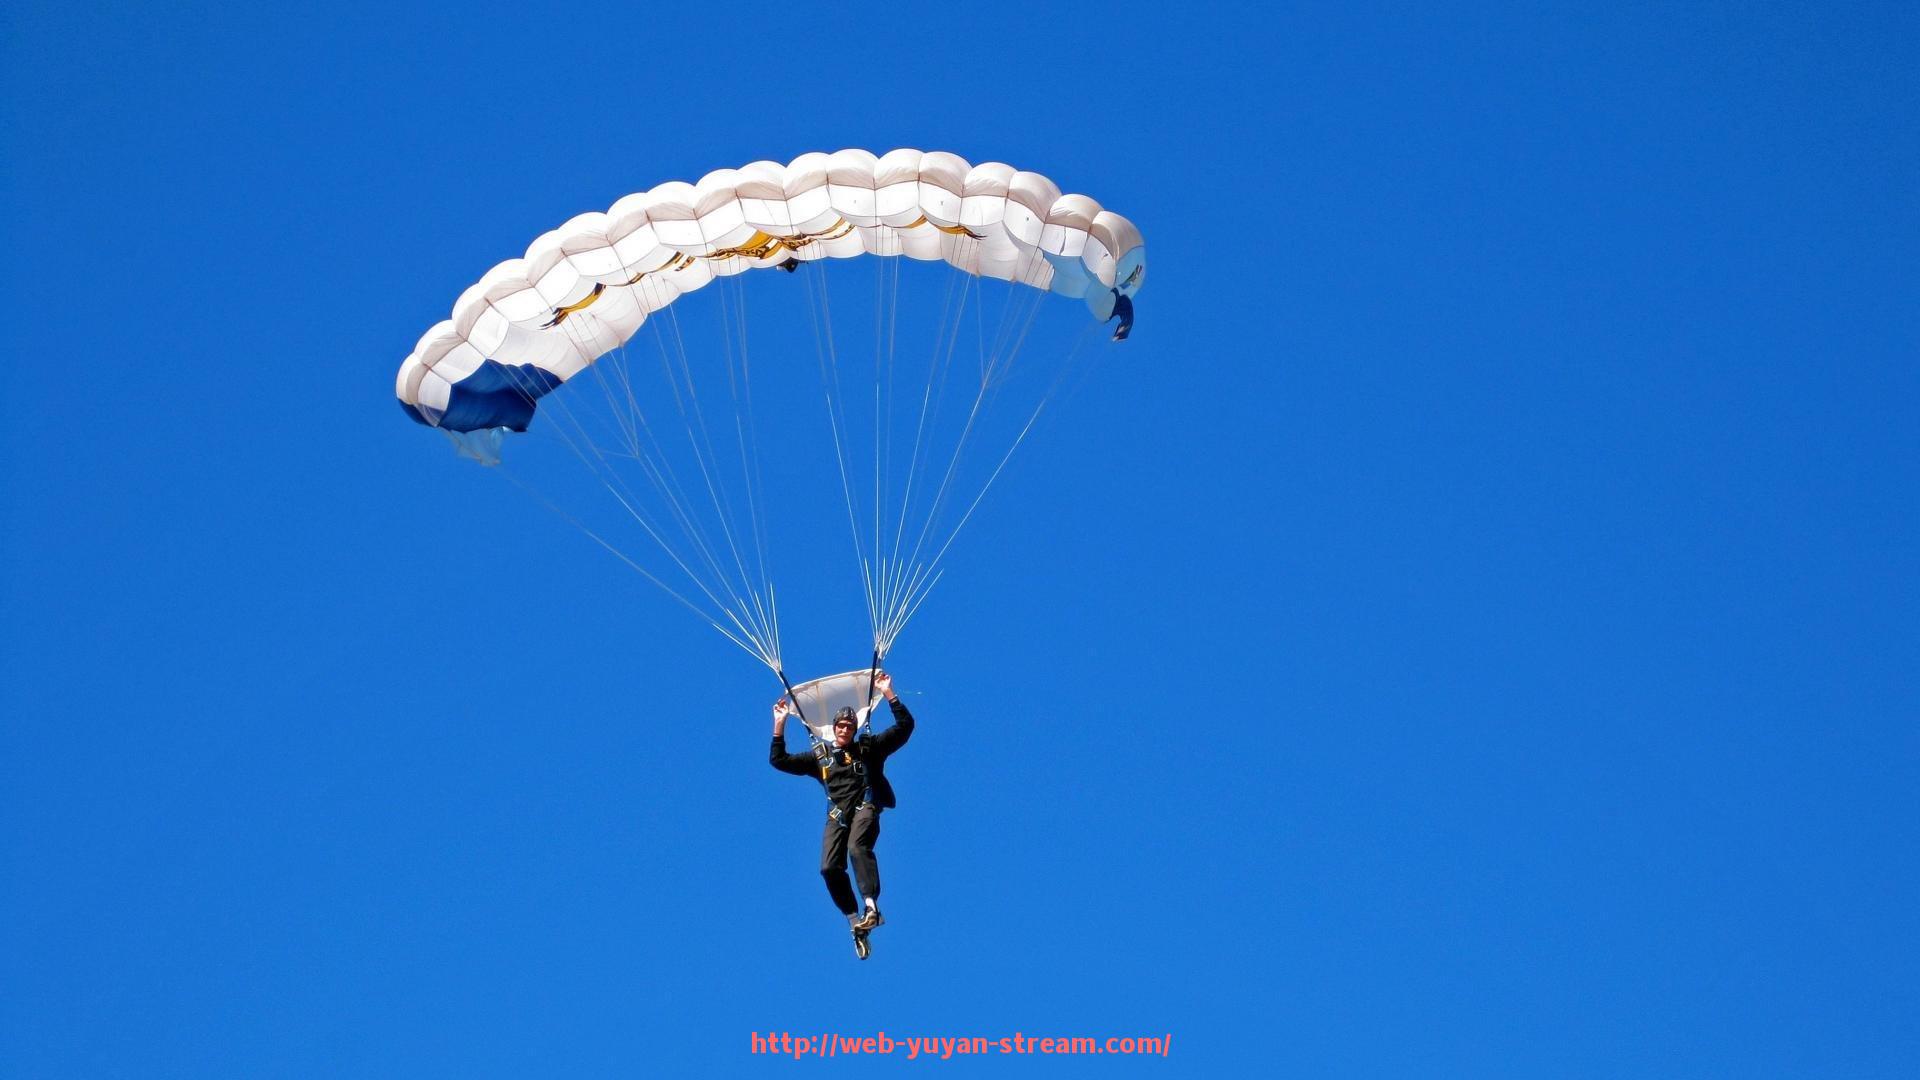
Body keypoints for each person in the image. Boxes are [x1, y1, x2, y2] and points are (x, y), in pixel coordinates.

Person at [769, 670, 915, 959]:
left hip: (866, 806)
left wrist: (889, 693)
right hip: (838, 815)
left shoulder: (869, 749)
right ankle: (855, 922)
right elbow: (779, 760)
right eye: (841, 725)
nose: (845, 729)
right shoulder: (820, 757)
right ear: (834, 728)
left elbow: (905, 726)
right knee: (829, 868)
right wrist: (779, 724)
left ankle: (871, 907)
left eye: (850, 725)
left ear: (855, 728)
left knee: (857, 847)